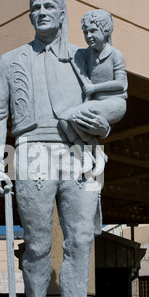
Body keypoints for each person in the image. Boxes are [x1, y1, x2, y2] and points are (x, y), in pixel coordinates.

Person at [0, 0, 114, 297]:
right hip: (32, 153)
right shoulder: (10, 61)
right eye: (35, 8)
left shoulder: (85, 59)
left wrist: (103, 125)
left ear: (62, 12)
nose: (41, 13)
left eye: (48, 7)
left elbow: (108, 106)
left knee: (81, 242)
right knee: (37, 246)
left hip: (80, 155)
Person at [59, 9, 128, 176]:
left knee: (79, 117)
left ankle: (94, 152)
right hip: (95, 103)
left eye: (93, 31)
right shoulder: (86, 53)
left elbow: (121, 83)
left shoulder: (115, 55)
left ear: (105, 30)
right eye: (85, 32)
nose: (88, 35)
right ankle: (90, 152)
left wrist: (94, 88)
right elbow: (68, 51)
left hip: (114, 103)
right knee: (63, 118)